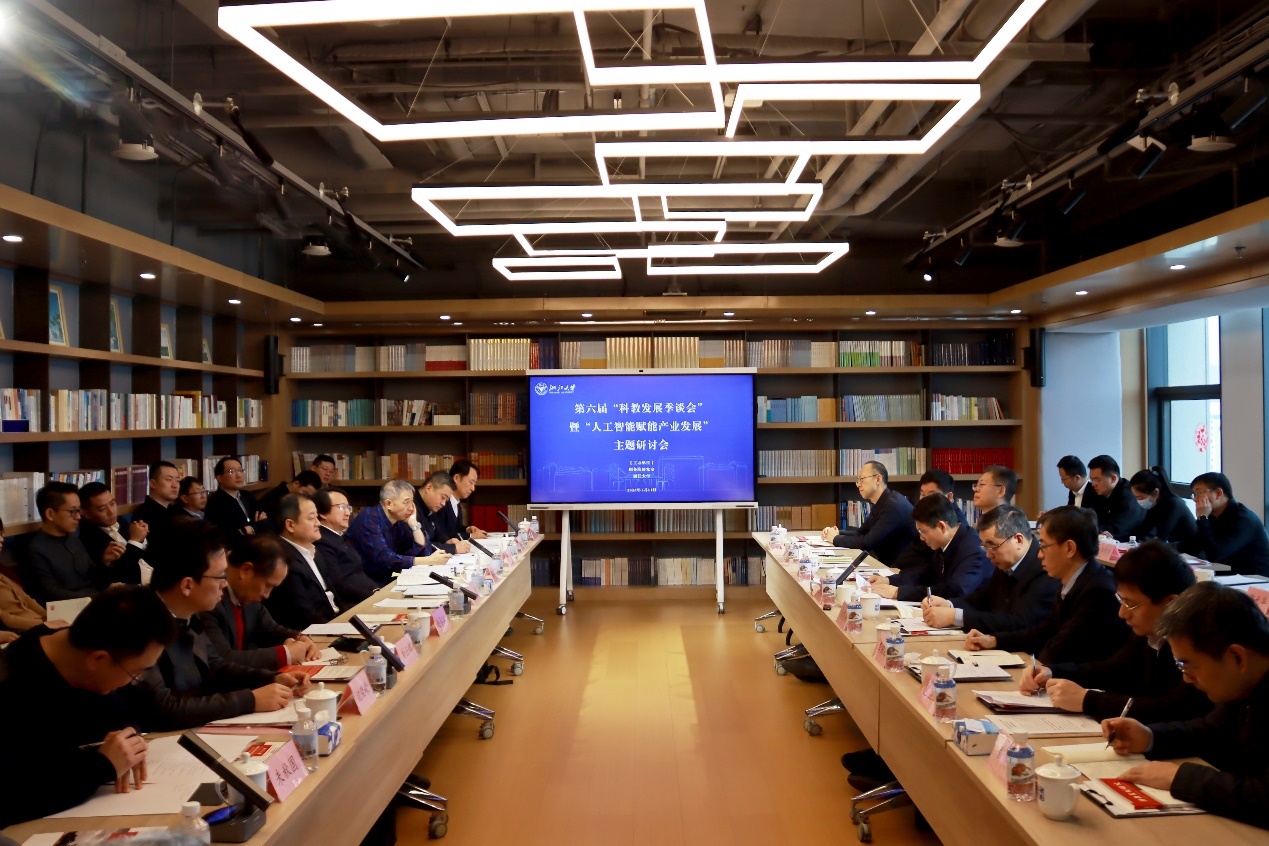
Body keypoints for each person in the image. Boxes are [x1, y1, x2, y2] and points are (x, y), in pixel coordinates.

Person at [0, 585, 176, 827]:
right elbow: (13, 797)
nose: (133, 681)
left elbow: (121, 717)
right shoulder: (13, 685)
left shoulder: (88, 656)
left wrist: (127, 742)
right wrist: (102, 767)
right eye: (135, 674)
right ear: (98, 659)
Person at [1103, 582, 1269, 829]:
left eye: (1187, 665)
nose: (1187, 679)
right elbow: (1210, 730)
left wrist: (1178, 777)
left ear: (1236, 657)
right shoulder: (1243, 682)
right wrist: (1149, 737)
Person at [121, 522, 303, 731]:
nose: (225, 584)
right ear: (187, 584)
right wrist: (249, 700)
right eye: (220, 576)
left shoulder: (188, 613)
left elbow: (217, 667)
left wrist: (272, 678)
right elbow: (164, 708)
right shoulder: (137, 622)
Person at [1021, 541, 1211, 723]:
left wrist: (1088, 700)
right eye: (1121, 600)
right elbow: (1112, 671)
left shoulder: (1198, 646)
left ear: (1170, 604)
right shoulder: (1146, 633)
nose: (1122, 613)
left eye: (1131, 603)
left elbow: (1176, 709)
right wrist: (1052, 671)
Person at [964, 506, 1128, 664]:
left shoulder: (1098, 591)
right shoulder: (1074, 581)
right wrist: (994, 640)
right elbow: (1045, 631)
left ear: (1069, 548)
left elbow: (1061, 649)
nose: (1040, 555)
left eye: (1044, 546)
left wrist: (1037, 670)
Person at [921, 505, 1059, 633]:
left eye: (992, 546)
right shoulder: (1007, 561)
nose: (988, 554)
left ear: (1018, 540)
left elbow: (1019, 622)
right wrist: (949, 604)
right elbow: (986, 598)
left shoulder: (1045, 568)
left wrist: (955, 617)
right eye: (985, 547)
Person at [201, 535, 321, 670]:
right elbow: (222, 659)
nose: (267, 595)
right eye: (268, 585)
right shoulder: (208, 601)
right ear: (246, 570)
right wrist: (286, 653)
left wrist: (301, 639)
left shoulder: (248, 598)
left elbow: (272, 630)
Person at [866, 494, 991, 602]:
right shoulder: (947, 541)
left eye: (923, 531)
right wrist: (888, 581)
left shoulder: (972, 550)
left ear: (941, 526)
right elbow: (926, 574)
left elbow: (955, 591)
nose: (921, 538)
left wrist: (898, 592)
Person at [347, 479, 452, 585]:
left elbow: (424, 551)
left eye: (412, 502)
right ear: (389, 503)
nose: (411, 508)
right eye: (406, 502)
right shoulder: (369, 518)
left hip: (388, 580)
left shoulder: (400, 520)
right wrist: (428, 560)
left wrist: (414, 524)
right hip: (365, 583)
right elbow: (384, 558)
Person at [265, 494, 342, 629]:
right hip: (314, 631)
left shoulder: (314, 550)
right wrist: (341, 629)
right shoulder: (283, 560)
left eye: (317, 517)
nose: (318, 523)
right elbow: (304, 616)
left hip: (335, 621)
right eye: (311, 518)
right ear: (290, 525)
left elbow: (334, 597)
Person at [21, 482, 104, 604]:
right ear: (50, 514)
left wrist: (106, 564)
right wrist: (97, 597)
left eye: (79, 511)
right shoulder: (35, 550)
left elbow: (92, 575)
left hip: (93, 601)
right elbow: (50, 593)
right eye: (72, 511)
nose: (78, 517)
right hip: (68, 607)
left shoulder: (73, 539)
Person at [819, 462, 916, 566]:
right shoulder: (882, 502)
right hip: (888, 564)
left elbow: (867, 543)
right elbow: (862, 533)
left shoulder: (893, 506)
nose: (858, 484)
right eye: (858, 480)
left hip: (903, 569)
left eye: (862, 479)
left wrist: (835, 539)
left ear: (878, 479)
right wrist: (837, 533)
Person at [1186, 471, 1269, 576]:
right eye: (1194, 494)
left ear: (1219, 493)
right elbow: (1193, 545)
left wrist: (1202, 517)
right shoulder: (1212, 516)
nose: (1195, 499)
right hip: (1229, 575)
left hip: (1256, 579)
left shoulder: (1244, 518)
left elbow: (1215, 554)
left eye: (1199, 492)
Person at [314, 487, 378, 607]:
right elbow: (338, 584)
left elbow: (358, 573)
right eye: (341, 507)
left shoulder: (339, 536)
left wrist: (377, 591)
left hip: (368, 597)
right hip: (352, 605)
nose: (348, 513)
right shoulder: (322, 541)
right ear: (322, 513)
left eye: (348, 507)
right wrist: (373, 596)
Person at [78, 481, 150, 587]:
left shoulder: (119, 521)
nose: (111, 511)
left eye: (112, 503)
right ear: (87, 514)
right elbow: (123, 575)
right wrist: (135, 541)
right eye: (102, 509)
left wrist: (142, 538)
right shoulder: (87, 538)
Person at [1126, 466, 1197, 547]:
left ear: (1156, 492)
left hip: (1191, 550)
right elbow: (1144, 529)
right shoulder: (1156, 504)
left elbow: (1161, 537)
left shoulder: (1173, 504)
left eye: (1140, 497)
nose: (1138, 501)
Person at [0, 518, 47, 633]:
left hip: (38, 624)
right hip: (22, 632)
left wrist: (48, 617)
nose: (1, 539)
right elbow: (6, 620)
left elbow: (26, 599)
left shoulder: (3, 571)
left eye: (1, 534)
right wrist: (44, 625)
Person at [203, 457, 265, 543]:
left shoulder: (246, 495)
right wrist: (256, 527)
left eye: (240, 470)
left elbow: (267, 522)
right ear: (219, 478)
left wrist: (249, 529)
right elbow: (225, 536)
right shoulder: (214, 503)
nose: (238, 475)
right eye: (232, 471)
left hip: (258, 543)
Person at [1087, 454, 1145, 541]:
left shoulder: (1128, 496)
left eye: (1097, 480)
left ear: (1113, 478)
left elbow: (1113, 530)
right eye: (1091, 480)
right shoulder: (1100, 492)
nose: (1093, 484)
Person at [416, 471, 470, 554]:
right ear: (429, 488)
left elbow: (437, 532)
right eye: (442, 497)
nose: (443, 504)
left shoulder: (429, 506)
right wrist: (453, 548)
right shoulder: (411, 508)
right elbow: (420, 546)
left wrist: (447, 541)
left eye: (446, 500)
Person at [131, 460, 181, 543]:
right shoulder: (144, 516)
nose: (175, 485)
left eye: (177, 480)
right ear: (153, 483)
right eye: (169, 479)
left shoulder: (176, 510)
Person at [257, 470, 322, 530]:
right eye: (305, 493)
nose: (305, 498)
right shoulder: (275, 498)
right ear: (296, 484)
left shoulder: (291, 497)